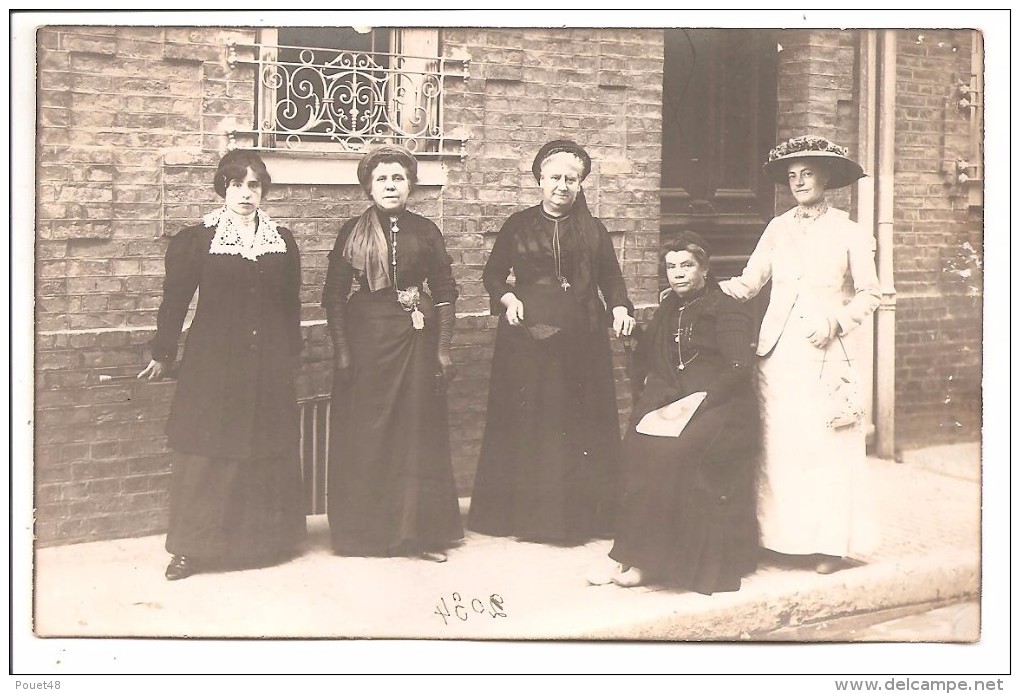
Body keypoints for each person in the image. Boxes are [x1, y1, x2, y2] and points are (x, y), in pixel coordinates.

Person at [139, 149, 306, 581]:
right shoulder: (197, 240)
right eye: (236, 184)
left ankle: (264, 544)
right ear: (223, 188)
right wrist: (162, 353)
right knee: (207, 452)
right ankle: (191, 550)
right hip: (213, 362)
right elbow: (174, 301)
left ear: (263, 190)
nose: (246, 194)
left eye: (254, 185)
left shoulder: (282, 241)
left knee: (261, 446)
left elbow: (290, 304)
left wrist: (290, 353)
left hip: (268, 363)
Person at [718, 135, 882, 575]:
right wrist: (703, 291)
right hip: (779, 352)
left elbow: (872, 295)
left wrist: (834, 323)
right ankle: (779, 539)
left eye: (807, 173)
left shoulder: (849, 231)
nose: (798, 182)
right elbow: (750, 282)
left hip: (827, 352)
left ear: (826, 178)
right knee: (779, 443)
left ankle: (828, 543)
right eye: (791, 176)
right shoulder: (777, 228)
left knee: (823, 445)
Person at [468, 139, 636, 544]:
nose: (562, 186)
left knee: (576, 425)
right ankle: (528, 517)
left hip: (582, 338)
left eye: (571, 179)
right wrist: (507, 298)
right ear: (540, 181)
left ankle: (578, 517)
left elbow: (611, 278)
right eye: (555, 178)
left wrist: (619, 308)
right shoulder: (518, 225)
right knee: (533, 422)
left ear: (581, 185)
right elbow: (492, 276)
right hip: (528, 339)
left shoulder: (592, 230)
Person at [591, 233, 760, 593]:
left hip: (723, 406)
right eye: (671, 267)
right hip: (678, 401)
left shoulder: (725, 307)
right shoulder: (670, 307)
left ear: (704, 268)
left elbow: (737, 368)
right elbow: (654, 351)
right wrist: (632, 332)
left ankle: (650, 563)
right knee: (638, 445)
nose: (678, 274)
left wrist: (701, 400)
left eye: (686, 265)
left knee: (673, 454)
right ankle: (629, 555)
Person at [322, 144, 462, 563]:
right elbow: (333, 295)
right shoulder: (352, 230)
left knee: (416, 434)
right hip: (367, 342)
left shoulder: (426, 231)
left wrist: (443, 348)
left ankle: (416, 535)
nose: (390, 185)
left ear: (410, 185)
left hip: (416, 342)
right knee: (370, 434)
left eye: (398, 178)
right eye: (381, 178)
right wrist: (343, 352)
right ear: (368, 185)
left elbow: (445, 291)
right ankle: (366, 534)